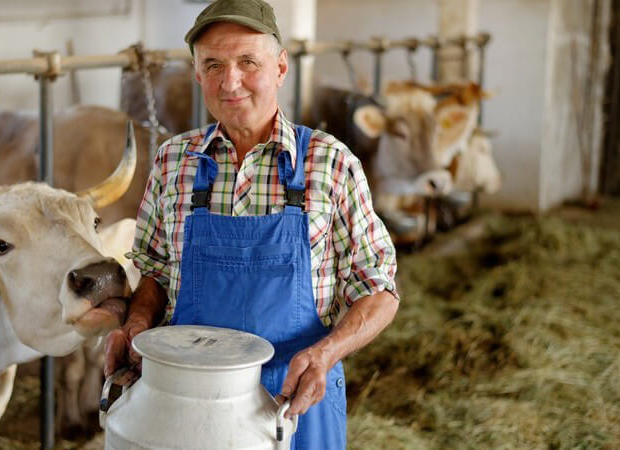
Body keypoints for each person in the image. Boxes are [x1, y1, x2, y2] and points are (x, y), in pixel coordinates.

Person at [104, 0, 400, 448]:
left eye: (248, 62)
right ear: (198, 75)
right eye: (214, 65)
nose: (231, 81)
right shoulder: (173, 163)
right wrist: (136, 325)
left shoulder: (330, 163)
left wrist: (326, 354)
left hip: (295, 401)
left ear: (280, 67)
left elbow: (379, 289)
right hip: (188, 404)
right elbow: (156, 271)